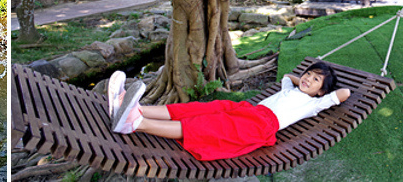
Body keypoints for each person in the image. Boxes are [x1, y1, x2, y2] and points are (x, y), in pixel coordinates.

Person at [107, 62, 351, 161]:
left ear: (321, 92)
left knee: (207, 127)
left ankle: (135, 123)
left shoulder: (314, 104)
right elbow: (288, 76)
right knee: (198, 109)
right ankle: (136, 108)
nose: (307, 79)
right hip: (248, 110)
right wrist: (304, 82)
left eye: (315, 80)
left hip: (261, 126)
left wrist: (317, 91)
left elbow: (343, 94)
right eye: (308, 74)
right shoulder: (293, 87)